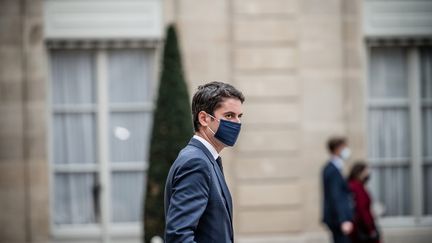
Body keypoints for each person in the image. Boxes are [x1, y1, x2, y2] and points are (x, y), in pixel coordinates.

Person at [164, 81, 244, 243]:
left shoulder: (206, 159)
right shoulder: (195, 162)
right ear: (204, 118)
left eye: (239, 116)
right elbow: (179, 236)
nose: (237, 123)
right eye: (229, 115)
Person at [322, 137, 354, 243]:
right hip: (337, 219)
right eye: (344, 147)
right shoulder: (332, 170)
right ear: (337, 149)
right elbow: (336, 196)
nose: (346, 150)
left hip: (336, 218)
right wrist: (343, 220)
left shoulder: (333, 168)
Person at [348, 162, 380, 243]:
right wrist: (370, 229)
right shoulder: (357, 187)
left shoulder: (353, 185)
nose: (368, 174)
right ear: (359, 173)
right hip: (362, 228)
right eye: (366, 172)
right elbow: (362, 209)